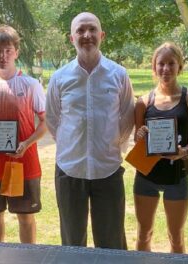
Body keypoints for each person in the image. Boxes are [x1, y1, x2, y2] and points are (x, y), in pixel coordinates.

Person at [46, 12, 135, 249]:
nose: (87, 35)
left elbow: (127, 116)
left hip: (108, 168)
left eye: (92, 29)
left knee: (112, 241)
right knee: (72, 241)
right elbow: (53, 120)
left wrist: (111, 144)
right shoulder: (59, 77)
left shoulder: (118, 74)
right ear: (71, 38)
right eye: (81, 30)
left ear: (102, 35)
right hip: (69, 168)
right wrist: (72, 144)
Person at [0, 25, 46, 243]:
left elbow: (45, 122)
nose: (3, 56)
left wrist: (27, 143)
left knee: (26, 218)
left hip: (24, 162)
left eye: (8, 50)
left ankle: (28, 259)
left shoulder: (31, 85)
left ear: (16, 52)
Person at [133, 42, 188, 253]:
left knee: (176, 237)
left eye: (171, 64)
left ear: (180, 67)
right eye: (161, 64)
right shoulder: (143, 102)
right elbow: (139, 139)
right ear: (154, 68)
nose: (165, 69)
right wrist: (139, 135)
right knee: (144, 233)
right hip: (147, 175)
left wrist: (186, 150)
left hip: (177, 175)